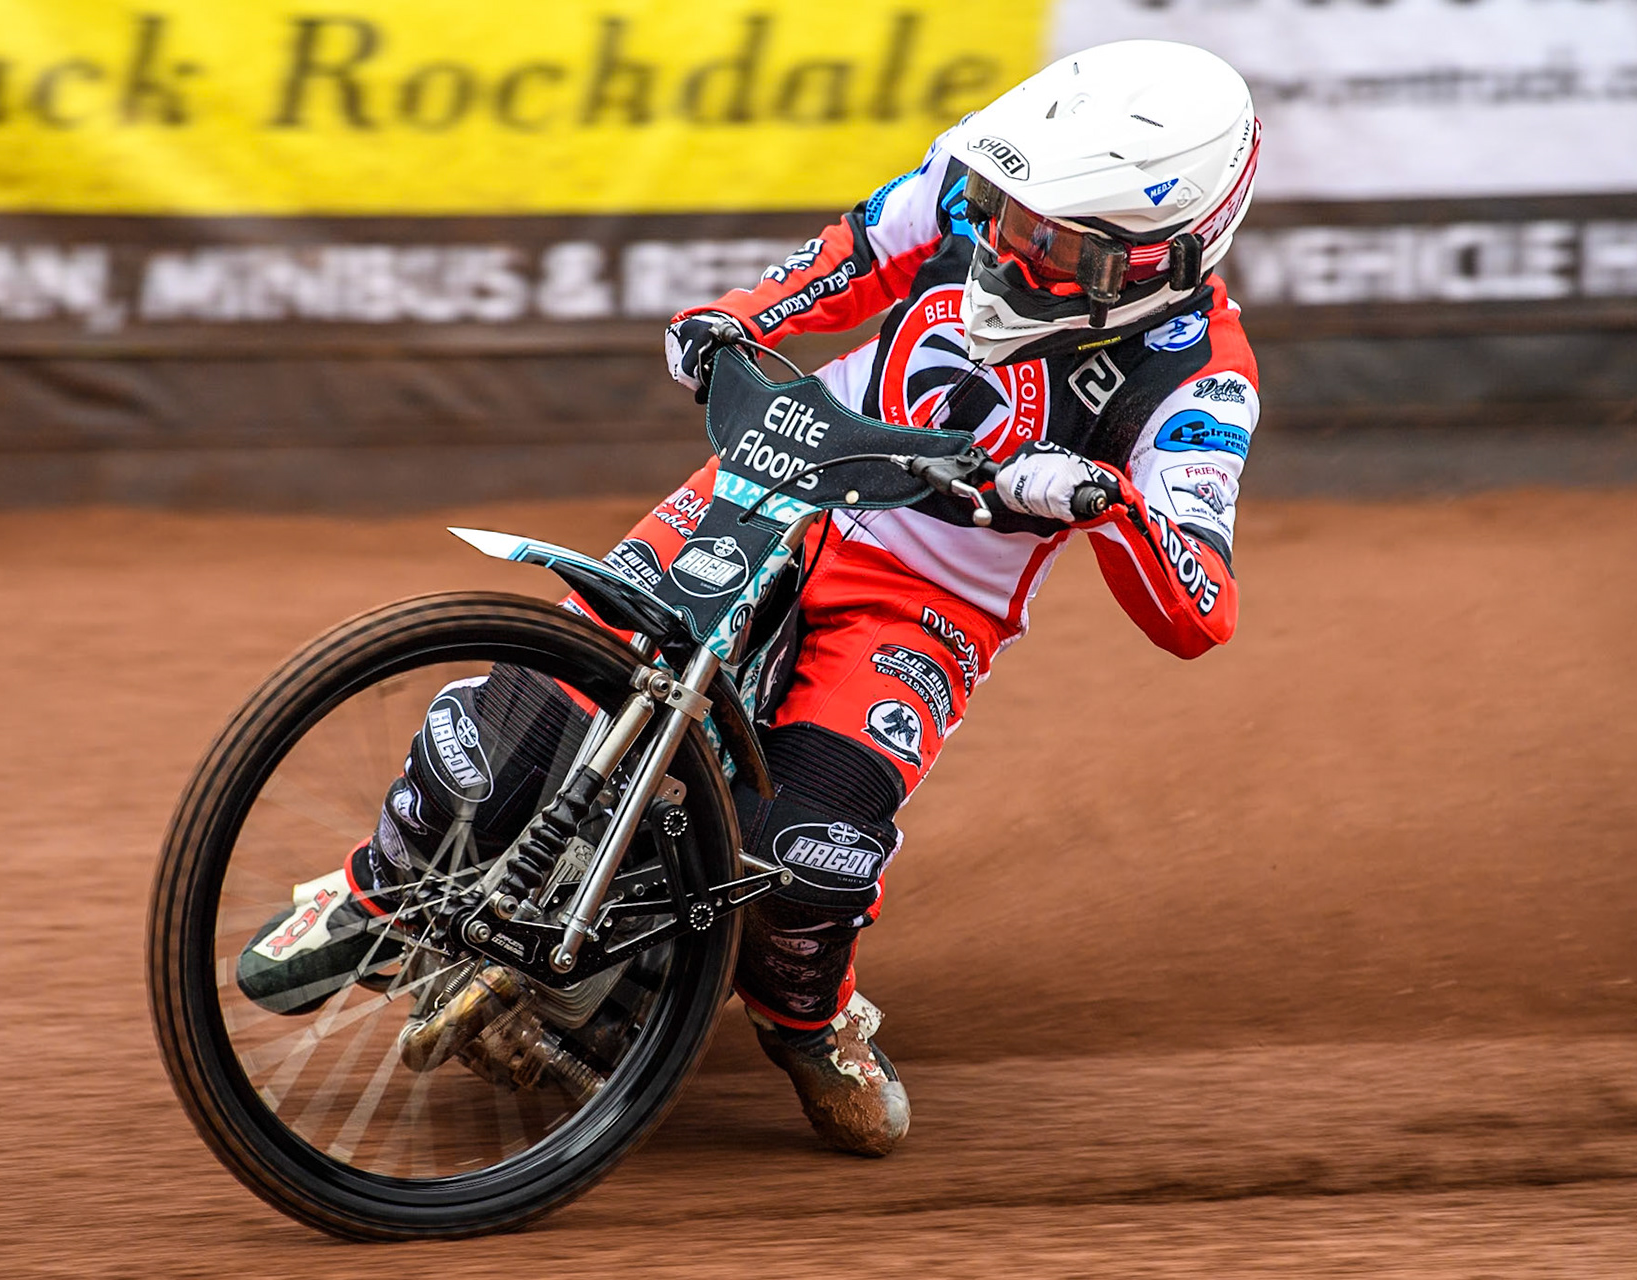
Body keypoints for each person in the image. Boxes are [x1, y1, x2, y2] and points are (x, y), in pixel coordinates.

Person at [238, 39, 1262, 1160]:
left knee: (808, 851)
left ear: (1164, 257)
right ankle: (372, 888)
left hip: (923, 599)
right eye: (1005, 211)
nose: (1006, 245)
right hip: (781, 470)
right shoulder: (978, 189)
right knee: (542, 693)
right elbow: (853, 253)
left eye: (1054, 242)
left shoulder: (1202, 378)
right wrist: (734, 318)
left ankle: (812, 1022)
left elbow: (1199, 605)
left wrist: (1105, 498)